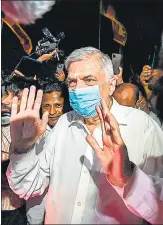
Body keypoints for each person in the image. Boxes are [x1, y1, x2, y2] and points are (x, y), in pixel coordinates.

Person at [7, 47, 163, 224]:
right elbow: (27, 188)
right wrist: (22, 150)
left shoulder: (142, 126)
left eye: (89, 80)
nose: (78, 89)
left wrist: (128, 178)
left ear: (111, 84)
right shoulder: (63, 123)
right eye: (72, 82)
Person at [26, 77, 71, 224]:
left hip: (65, 197)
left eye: (58, 105)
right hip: (37, 199)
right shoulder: (31, 129)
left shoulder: (73, 128)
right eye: (46, 106)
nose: (52, 112)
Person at [1, 74, 39, 225]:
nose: (5, 101)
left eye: (15, 96)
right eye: (5, 94)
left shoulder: (37, 133)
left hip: (16, 210)